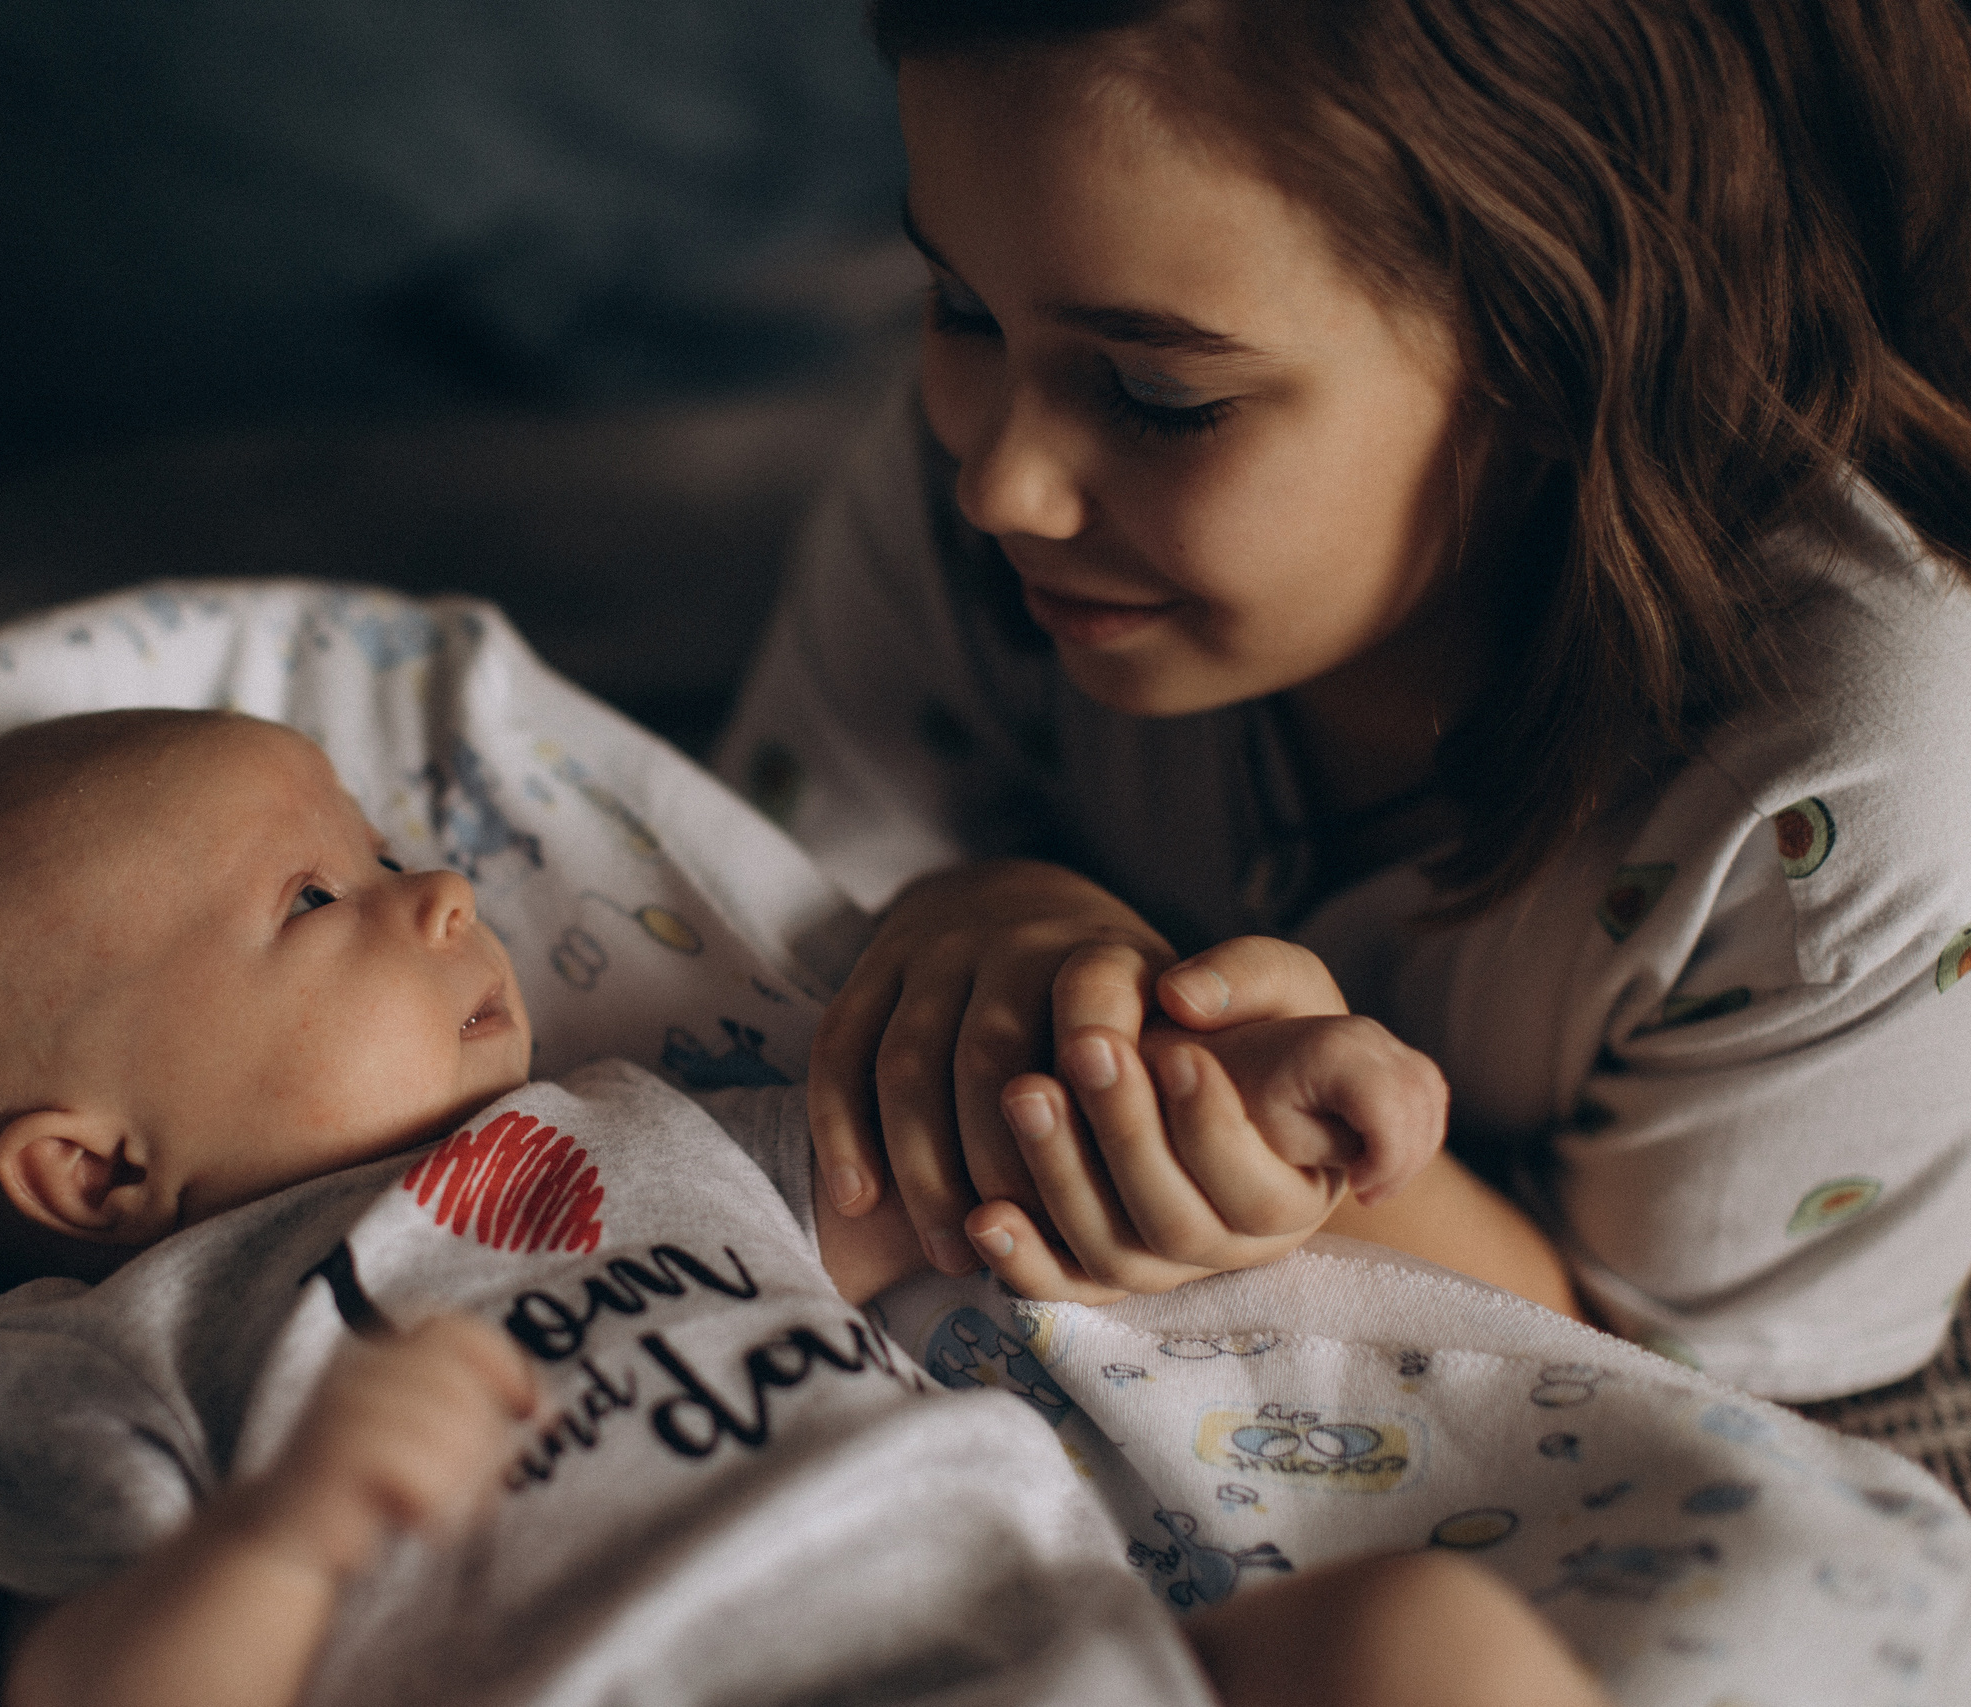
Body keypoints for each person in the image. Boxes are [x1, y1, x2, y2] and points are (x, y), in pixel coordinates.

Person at [0, 708, 1598, 1707]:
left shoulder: (634, 1129)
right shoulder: (95, 1346)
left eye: (397, 853)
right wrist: (288, 1538)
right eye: (313, 902)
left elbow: (992, 1152)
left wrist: (1262, 1102)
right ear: (94, 1169)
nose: (437, 899)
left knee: (1417, 1647)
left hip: (1061, 1651)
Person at [715, 0, 1971, 1403]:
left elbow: (1692, 1402)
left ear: (1562, 351)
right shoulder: (976, 490)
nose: (997, 480)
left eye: (1156, 392)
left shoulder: (1850, 795)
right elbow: (742, 921)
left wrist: (1281, 1161)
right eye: (958, 306)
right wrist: (980, 907)